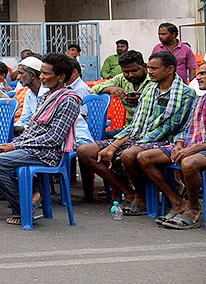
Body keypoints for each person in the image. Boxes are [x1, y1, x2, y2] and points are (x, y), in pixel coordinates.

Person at [77, 51, 195, 215]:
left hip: (166, 140)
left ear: (170, 69)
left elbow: (168, 127)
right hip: (139, 136)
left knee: (129, 153)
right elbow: (136, 125)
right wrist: (113, 145)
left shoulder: (186, 93)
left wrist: (127, 144)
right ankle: (129, 192)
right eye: (150, 68)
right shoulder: (150, 91)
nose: (151, 72)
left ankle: (146, 196)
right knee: (85, 151)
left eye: (155, 68)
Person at [0, 53, 82, 225]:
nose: (42, 77)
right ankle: (27, 199)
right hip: (32, 148)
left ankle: (23, 206)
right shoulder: (46, 96)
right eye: (41, 73)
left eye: (46, 74)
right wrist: (14, 144)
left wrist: (16, 145)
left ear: (61, 77)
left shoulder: (69, 101)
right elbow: (32, 130)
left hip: (48, 153)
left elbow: (54, 138)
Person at [137, 91, 206, 229]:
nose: (199, 77)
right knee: (144, 157)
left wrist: (195, 148)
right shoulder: (200, 99)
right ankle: (177, 202)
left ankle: (194, 207)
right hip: (189, 144)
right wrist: (179, 143)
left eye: (203, 74)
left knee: (188, 163)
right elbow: (186, 128)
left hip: (202, 147)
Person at [91, 50, 151, 125]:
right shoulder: (121, 78)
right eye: (126, 72)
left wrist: (142, 100)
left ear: (144, 67)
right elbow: (94, 89)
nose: (130, 75)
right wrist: (110, 89)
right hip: (128, 127)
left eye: (134, 71)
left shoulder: (153, 80)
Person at [13, 56, 46, 133]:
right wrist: (8, 127)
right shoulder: (29, 93)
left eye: (21, 73)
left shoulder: (47, 93)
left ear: (32, 75)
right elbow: (24, 119)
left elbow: (43, 125)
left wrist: (19, 128)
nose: (18, 77)